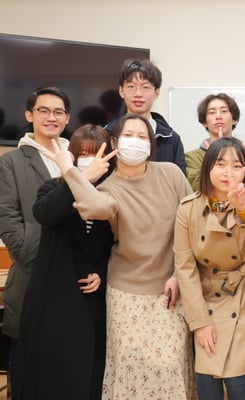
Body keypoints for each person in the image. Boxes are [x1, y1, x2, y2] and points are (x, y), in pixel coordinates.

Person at [59, 113, 196, 399]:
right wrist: (72, 172)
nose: (136, 142)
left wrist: (178, 275)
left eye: (142, 137)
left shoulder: (171, 173)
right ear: (114, 142)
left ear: (151, 143)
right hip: (125, 293)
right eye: (129, 136)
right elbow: (94, 207)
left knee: (169, 370)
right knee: (130, 370)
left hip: (171, 290)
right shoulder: (108, 187)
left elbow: (191, 226)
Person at [13, 125, 115, 400]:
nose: (90, 161)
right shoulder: (53, 187)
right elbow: (45, 214)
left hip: (93, 301)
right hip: (52, 296)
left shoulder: (112, 193)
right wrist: (76, 179)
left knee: (89, 374)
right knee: (50, 376)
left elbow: (116, 244)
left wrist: (101, 272)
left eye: (96, 154)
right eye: (83, 154)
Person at [174, 137, 245, 400]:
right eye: (220, 164)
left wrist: (242, 208)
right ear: (208, 167)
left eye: (237, 166)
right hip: (206, 295)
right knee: (207, 376)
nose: (228, 172)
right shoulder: (188, 208)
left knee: (238, 376)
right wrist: (200, 322)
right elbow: (185, 268)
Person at [0, 87, 71, 359]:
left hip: (73, 276)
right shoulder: (12, 161)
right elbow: (7, 217)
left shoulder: (77, 157)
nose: (51, 117)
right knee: (26, 363)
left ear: (67, 118)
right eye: (43, 111)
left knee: (65, 363)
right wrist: (28, 250)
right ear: (29, 115)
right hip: (31, 272)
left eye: (58, 112)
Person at [107, 58, 187, 173]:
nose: (138, 94)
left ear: (156, 93)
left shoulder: (171, 139)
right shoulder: (107, 134)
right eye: (131, 86)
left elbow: (180, 181)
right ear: (121, 91)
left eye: (145, 87)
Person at [184, 93, 245, 192]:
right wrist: (218, 153)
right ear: (204, 122)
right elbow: (197, 189)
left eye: (224, 111)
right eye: (212, 112)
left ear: (234, 119)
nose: (218, 116)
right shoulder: (191, 158)